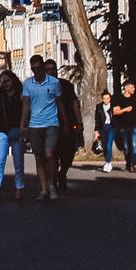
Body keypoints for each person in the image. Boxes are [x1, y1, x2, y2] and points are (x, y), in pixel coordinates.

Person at [21, 56, 64, 201]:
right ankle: (44, 188)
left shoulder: (54, 83)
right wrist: (23, 124)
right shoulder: (27, 84)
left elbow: (59, 103)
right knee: (39, 157)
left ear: (43, 68)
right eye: (33, 69)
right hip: (34, 124)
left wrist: (65, 122)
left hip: (51, 122)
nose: (36, 71)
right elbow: (26, 105)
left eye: (38, 68)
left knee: (49, 154)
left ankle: (52, 185)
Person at [0, 67, 25, 199]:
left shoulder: (20, 93)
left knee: (18, 162)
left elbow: (26, 109)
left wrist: (24, 126)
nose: (6, 84)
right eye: (4, 81)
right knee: (0, 160)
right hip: (2, 130)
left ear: (13, 81)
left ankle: (19, 190)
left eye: (8, 81)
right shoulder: (0, 94)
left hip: (16, 130)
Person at [52, 61, 82, 194]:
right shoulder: (42, 86)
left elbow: (74, 102)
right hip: (50, 125)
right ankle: (53, 181)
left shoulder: (65, 85)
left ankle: (62, 172)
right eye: (47, 70)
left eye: (53, 69)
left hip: (68, 124)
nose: (51, 72)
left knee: (68, 153)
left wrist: (79, 122)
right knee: (52, 154)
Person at [113, 80, 136, 171]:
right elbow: (115, 111)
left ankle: (134, 164)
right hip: (123, 126)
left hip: (134, 125)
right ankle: (128, 163)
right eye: (132, 87)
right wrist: (125, 110)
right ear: (126, 88)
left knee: (134, 144)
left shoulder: (135, 98)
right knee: (126, 146)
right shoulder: (119, 99)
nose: (134, 89)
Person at [96, 90, 116, 172]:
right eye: (104, 98)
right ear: (102, 99)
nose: (106, 100)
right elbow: (97, 119)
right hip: (103, 127)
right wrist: (96, 130)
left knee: (109, 145)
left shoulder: (113, 106)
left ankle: (108, 163)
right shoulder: (99, 107)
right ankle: (107, 160)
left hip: (112, 126)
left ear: (110, 98)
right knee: (104, 146)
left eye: (107, 98)